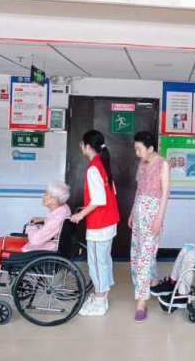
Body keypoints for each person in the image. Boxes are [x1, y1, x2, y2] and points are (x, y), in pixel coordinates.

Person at [0, 181, 72, 307]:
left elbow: (36, 240)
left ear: (54, 199)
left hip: (39, 250)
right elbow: (52, 223)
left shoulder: (57, 218)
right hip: (46, 244)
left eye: (46, 194)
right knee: (3, 240)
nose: (43, 196)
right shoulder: (63, 208)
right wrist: (43, 219)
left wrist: (32, 227)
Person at [70, 129, 119, 317]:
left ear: (88, 146)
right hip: (109, 222)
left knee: (97, 264)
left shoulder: (93, 168)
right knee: (103, 261)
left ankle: (99, 303)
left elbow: (99, 199)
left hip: (100, 225)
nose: (81, 146)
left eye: (82, 144)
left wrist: (80, 215)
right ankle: (102, 297)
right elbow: (111, 193)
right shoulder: (102, 164)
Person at [127, 131, 170, 322]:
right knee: (138, 253)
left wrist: (159, 219)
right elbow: (139, 190)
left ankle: (141, 302)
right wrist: (132, 212)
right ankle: (152, 282)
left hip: (153, 214)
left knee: (145, 256)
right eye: (135, 149)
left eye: (139, 149)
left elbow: (165, 193)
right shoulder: (142, 163)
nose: (137, 153)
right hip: (139, 213)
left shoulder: (163, 164)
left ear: (151, 148)